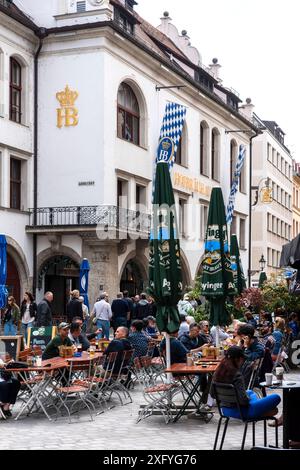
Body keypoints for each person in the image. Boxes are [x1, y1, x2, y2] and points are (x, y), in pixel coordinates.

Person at [211, 346, 281, 421]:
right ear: (236, 359)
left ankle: (260, 410)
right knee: (276, 397)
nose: (243, 361)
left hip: (225, 410)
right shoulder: (237, 375)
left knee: (250, 392)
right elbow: (243, 401)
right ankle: (260, 412)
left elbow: (212, 394)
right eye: (242, 359)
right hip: (242, 412)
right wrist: (248, 399)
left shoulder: (217, 372)